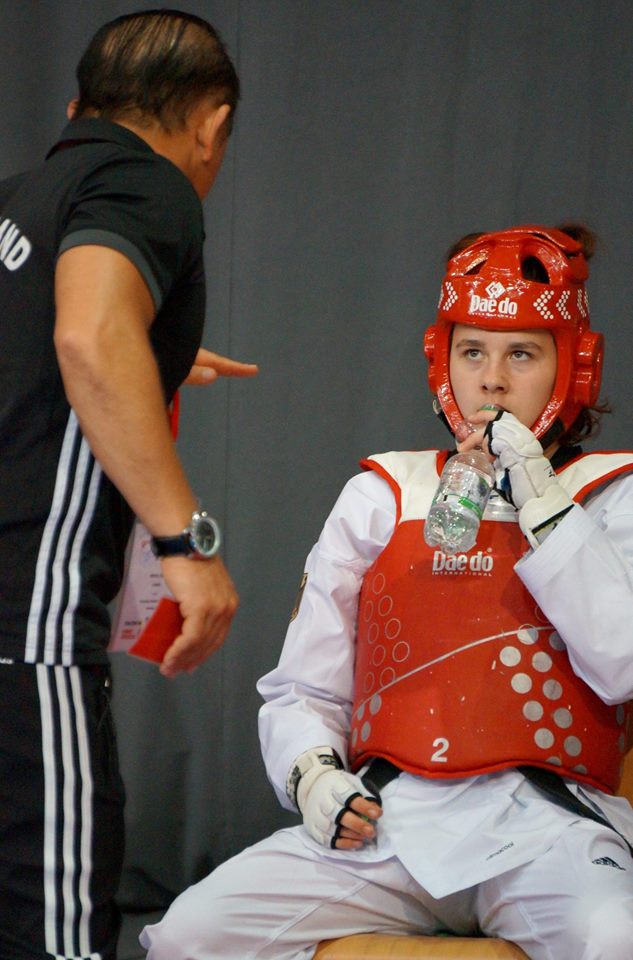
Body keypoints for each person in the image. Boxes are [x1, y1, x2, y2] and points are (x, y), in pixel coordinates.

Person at [141, 224, 633, 960]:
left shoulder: (612, 494)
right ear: (442, 361)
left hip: (550, 825)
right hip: (391, 819)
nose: (492, 381)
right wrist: (314, 779)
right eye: (473, 352)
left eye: (521, 354)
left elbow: (621, 661)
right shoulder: (382, 495)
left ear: (574, 367)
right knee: (189, 935)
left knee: (616, 939)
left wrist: (544, 503)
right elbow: (304, 688)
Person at [0, 9, 255, 960]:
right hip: (28, 635)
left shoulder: (20, 199)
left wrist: (156, 354)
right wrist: (188, 541)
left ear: (79, 105)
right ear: (211, 126)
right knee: (56, 932)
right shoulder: (145, 180)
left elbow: (48, 340)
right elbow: (88, 337)